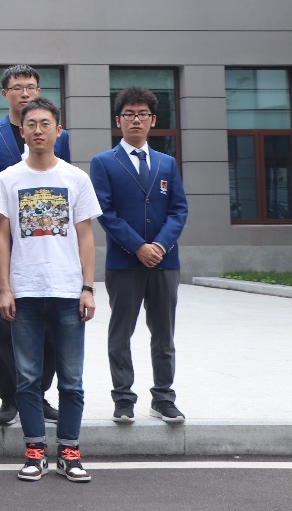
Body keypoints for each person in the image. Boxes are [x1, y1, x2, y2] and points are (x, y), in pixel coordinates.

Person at [0, 98, 100, 483]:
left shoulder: (76, 178)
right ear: (22, 131)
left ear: (58, 130)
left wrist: (88, 287)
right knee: (27, 378)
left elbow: (86, 237)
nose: (38, 130)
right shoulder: (8, 179)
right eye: (31, 124)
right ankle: (34, 450)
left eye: (45, 123)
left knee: (71, 379)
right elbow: (1, 238)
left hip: (68, 292)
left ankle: (69, 450)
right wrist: (5, 289)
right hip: (25, 293)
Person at [0, 65, 68, 426]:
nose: (24, 93)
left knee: (48, 322)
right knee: (1, 321)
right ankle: (9, 396)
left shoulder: (58, 135)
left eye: (31, 87)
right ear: (4, 93)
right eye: (17, 88)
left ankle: (38, 393)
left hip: (45, 245)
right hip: (0, 244)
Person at [90, 86, 188, 424]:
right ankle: (123, 398)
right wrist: (138, 247)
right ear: (118, 120)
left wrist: (159, 246)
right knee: (121, 334)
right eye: (129, 114)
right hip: (124, 262)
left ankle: (163, 398)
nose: (136, 120)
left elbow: (179, 210)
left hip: (164, 262)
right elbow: (105, 212)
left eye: (142, 114)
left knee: (163, 335)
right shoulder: (103, 162)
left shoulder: (166, 163)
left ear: (153, 120)